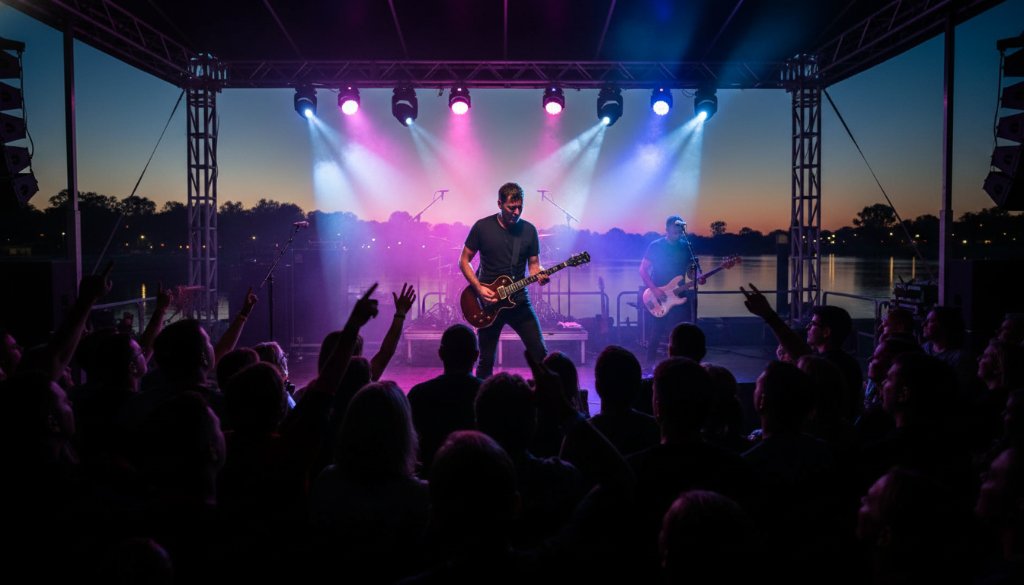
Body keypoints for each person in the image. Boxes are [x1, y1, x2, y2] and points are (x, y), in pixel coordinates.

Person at [459, 182, 549, 379]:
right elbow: (464, 260)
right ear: (499, 204)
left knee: (541, 354)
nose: (516, 212)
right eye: (511, 208)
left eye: (520, 207)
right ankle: (481, 404)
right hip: (489, 304)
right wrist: (479, 288)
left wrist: (540, 274)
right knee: (485, 360)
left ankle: (545, 402)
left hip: (519, 302)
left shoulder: (529, 231)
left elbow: (534, 265)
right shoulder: (482, 227)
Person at [640, 215, 700, 368]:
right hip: (659, 295)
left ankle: (681, 367)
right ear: (667, 229)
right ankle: (648, 368)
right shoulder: (656, 246)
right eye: (674, 226)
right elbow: (642, 270)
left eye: (680, 226)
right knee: (656, 334)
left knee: (682, 334)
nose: (677, 229)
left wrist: (697, 277)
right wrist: (654, 289)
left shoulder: (687, 246)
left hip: (680, 295)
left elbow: (690, 272)